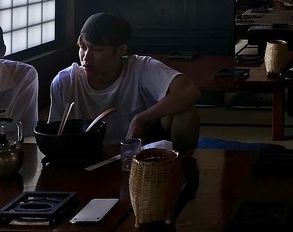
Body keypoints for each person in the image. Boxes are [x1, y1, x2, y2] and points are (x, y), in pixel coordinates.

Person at [48, 12, 201, 150]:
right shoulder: (65, 82)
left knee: (186, 111)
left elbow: (188, 90)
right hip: (83, 153)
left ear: (121, 50)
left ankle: (183, 166)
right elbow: (54, 133)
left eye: (97, 49)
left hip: (139, 151)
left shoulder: (140, 68)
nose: (86, 57)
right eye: (82, 47)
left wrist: (141, 118)